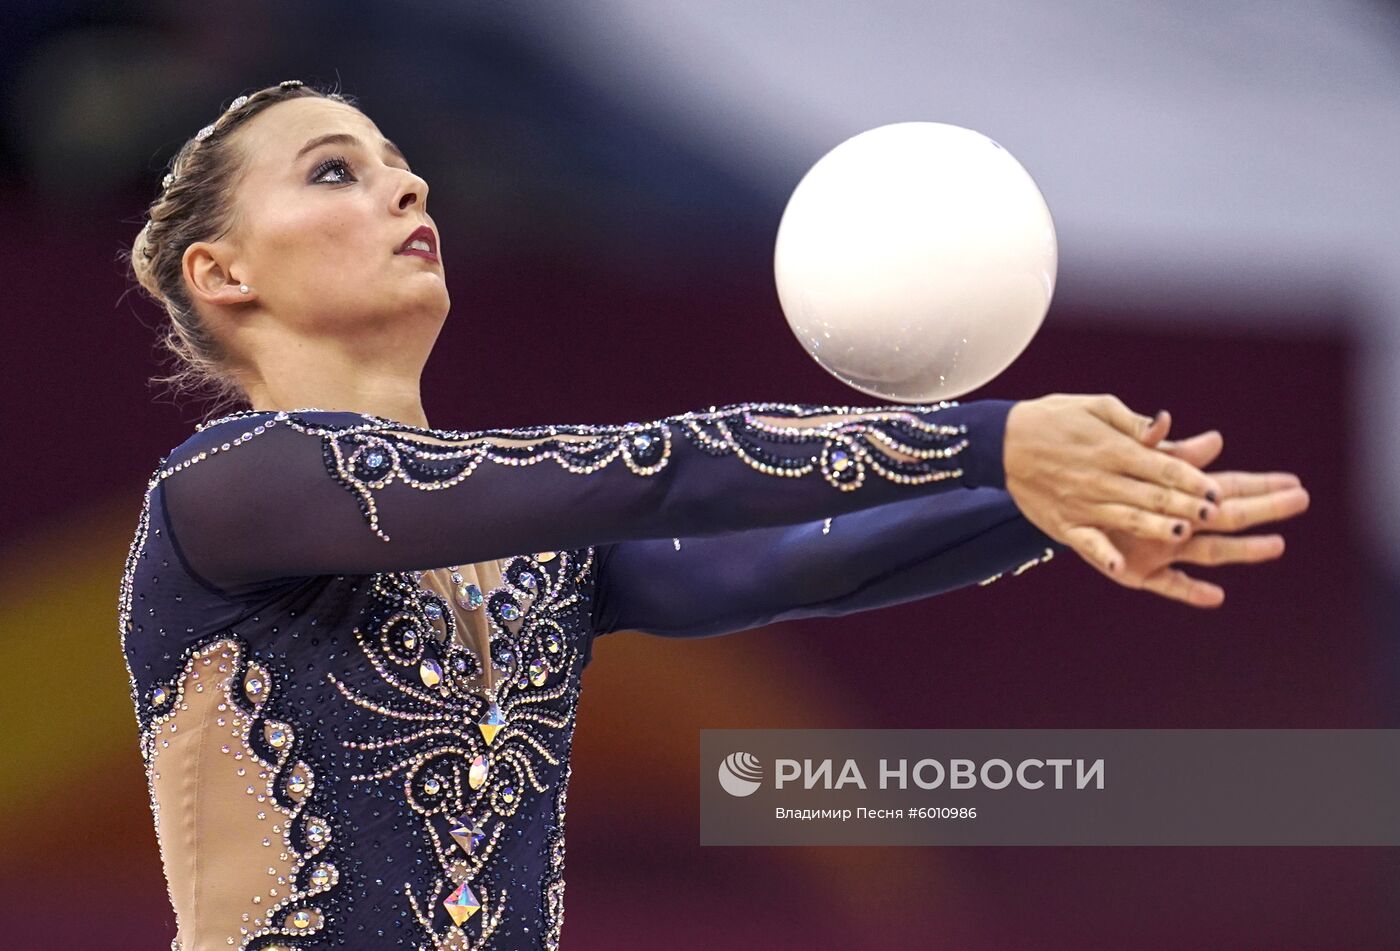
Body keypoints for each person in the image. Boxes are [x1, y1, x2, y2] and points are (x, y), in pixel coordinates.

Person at [118, 81, 1309, 951]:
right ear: (225, 274)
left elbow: (795, 568)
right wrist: (986, 436)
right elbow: (659, 472)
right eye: (334, 171)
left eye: (396, 163)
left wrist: (1045, 506)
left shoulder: (535, 557)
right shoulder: (232, 488)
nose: (405, 184)